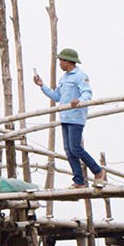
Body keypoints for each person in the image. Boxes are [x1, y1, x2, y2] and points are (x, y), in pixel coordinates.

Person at [33, 48, 103, 187]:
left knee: (75, 148)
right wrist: (42, 86)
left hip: (76, 118)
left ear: (68, 61)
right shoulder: (63, 78)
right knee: (69, 151)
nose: (59, 64)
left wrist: (79, 100)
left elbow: (87, 93)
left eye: (61, 61)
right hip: (65, 117)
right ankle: (78, 181)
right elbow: (57, 97)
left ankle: (98, 171)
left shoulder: (80, 76)